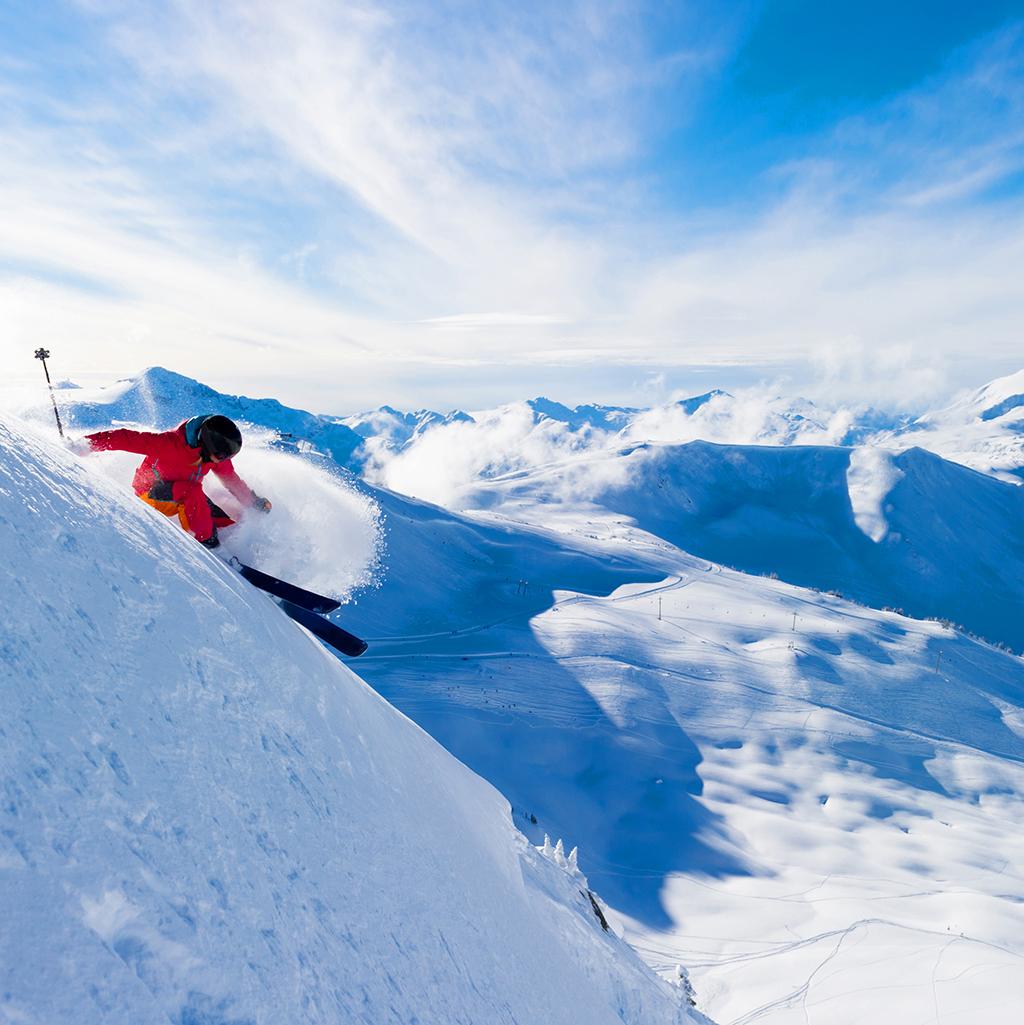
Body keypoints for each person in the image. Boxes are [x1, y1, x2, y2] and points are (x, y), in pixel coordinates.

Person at [78, 414, 271, 549]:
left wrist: (253, 502)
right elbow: (124, 438)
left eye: (227, 456)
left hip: (183, 492)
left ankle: (230, 547)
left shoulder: (214, 457)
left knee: (220, 519)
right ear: (206, 444)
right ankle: (208, 545)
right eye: (221, 455)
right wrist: (84, 445)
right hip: (150, 494)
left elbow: (231, 480)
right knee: (193, 494)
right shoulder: (169, 444)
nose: (222, 460)